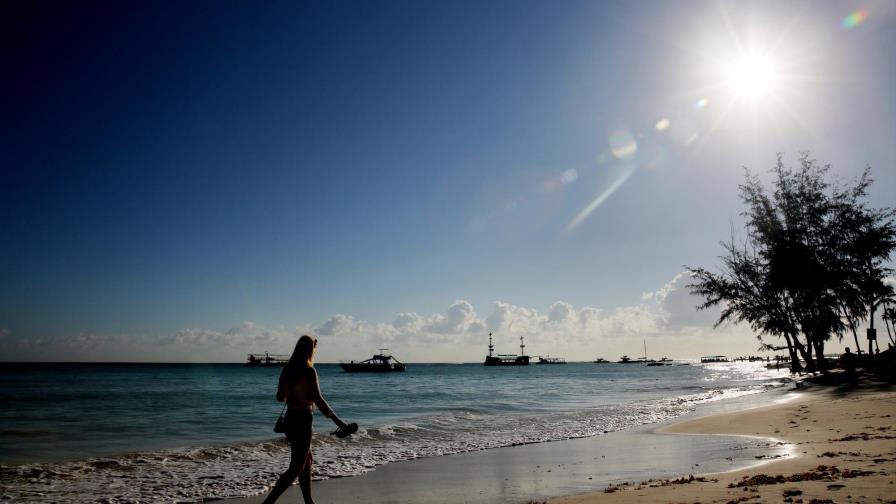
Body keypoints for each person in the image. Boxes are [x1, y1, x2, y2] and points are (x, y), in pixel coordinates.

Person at [262, 335, 349, 504]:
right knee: (296, 468)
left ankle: (309, 501)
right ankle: (267, 503)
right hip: (303, 420)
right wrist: (338, 422)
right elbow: (318, 399)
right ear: (310, 351)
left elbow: (280, 397)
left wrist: (293, 392)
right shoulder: (309, 371)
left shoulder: (287, 369)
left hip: (290, 419)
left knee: (306, 461)